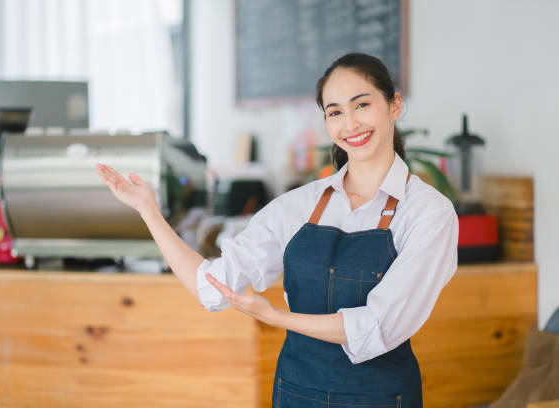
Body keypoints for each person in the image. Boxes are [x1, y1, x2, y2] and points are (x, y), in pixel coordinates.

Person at [96, 53, 458, 408]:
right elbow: (212, 287)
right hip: (297, 394)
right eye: (335, 112)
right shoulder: (296, 206)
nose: (350, 124)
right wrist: (149, 210)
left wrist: (275, 317)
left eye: (361, 105)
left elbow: (379, 326)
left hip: (381, 399)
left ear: (394, 105)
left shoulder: (428, 212)